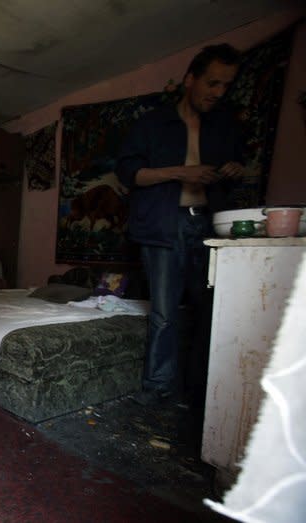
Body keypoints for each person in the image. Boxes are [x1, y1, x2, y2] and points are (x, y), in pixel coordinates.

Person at [116, 43, 245, 408]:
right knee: (165, 312)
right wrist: (180, 172)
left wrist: (233, 169)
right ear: (190, 79)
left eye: (226, 86)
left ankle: (200, 392)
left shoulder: (223, 127)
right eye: (212, 83)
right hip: (163, 224)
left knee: (210, 311)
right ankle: (157, 388)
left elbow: (235, 172)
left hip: (208, 227)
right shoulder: (153, 124)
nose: (218, 93)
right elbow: (129, 173)